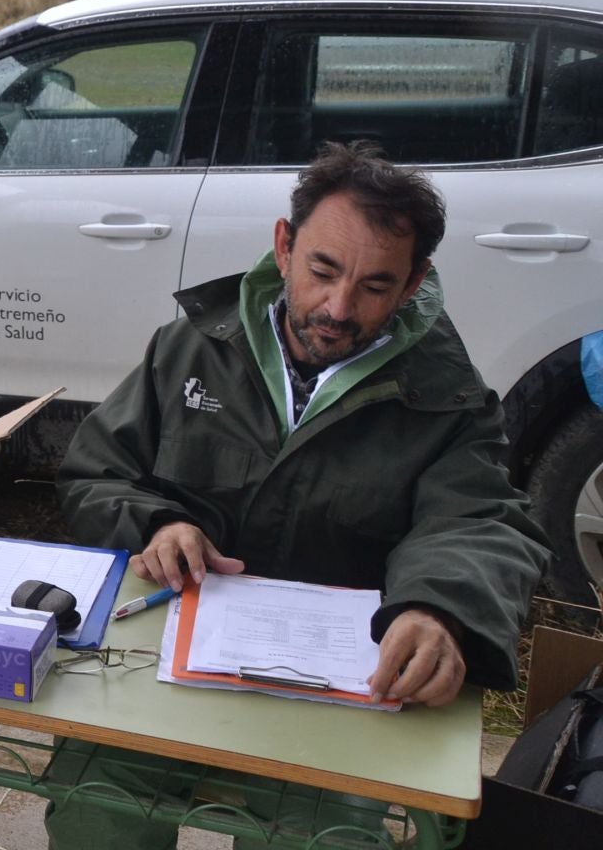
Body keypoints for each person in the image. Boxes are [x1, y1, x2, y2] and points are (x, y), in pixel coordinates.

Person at [50, 141, 548, 850]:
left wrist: (442, 612)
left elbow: (479, 522)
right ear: (284, 247)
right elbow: (97, 471)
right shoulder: (190, 349)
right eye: (322, 271)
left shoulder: (447, 398)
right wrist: (156, 525)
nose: (339, 308)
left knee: (325, 841)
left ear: (414, 284)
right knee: (91, 808)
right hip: (165, 674)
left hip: (341, 701)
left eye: (376, 286)